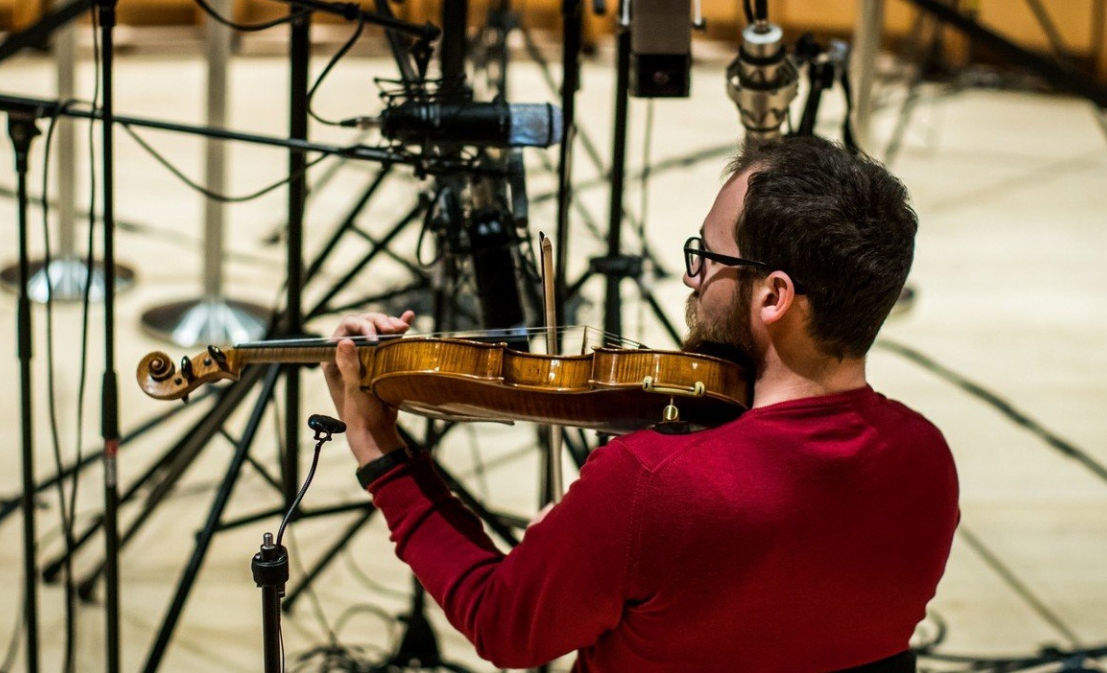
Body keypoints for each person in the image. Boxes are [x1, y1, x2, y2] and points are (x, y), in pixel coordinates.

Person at [322, 135, 959, 673]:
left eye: (707, 259)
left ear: (775, 297)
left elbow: (504, 627)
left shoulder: (655, 482)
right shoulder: (928, 462)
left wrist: (380, 450)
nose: (691, 278)